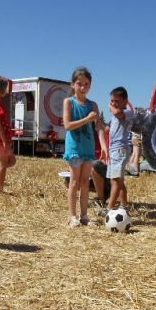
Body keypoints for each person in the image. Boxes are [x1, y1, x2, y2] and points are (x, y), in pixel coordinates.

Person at [62, 67, 106, 228]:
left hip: (88, 148)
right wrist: (87, 119)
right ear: (73, 84)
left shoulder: (93, 105)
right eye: (79, 84)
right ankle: (72, 216)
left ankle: (84, 216)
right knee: (74, 182)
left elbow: (99, 126)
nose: (83, 87)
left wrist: (103, 146)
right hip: (74, 147)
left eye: (86, 84)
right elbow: (67, 125)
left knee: (85, 183)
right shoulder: (69, 102)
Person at [106, 86, 132, 210]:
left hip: (120, 150)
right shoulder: (114, 116)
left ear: (125, 102)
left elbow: (117, 113)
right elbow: (108, 129)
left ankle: (109, 208)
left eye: (117, 101)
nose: (113, 103)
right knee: (116, 181)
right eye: (112, 101)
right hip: (113, 150)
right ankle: (124, 206)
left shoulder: (126, 113)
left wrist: (111, 108)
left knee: (116, 180)